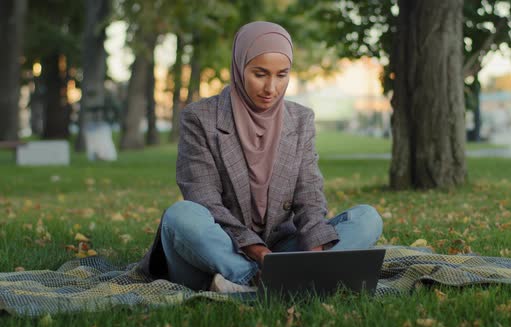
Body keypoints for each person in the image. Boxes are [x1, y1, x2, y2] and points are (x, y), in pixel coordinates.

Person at [139, 21, 383, 292]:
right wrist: (258, 254)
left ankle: (278, 283)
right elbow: (203, 198)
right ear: (239, 66)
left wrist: (316, 255)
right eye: (260, 74)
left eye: (282, 75)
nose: (271, 88)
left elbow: (309, 197)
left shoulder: (300, 119)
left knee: (366, 218)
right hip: (220, 250)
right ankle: (261, 281)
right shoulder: (200, 118)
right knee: (180, 215)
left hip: (281, 249)